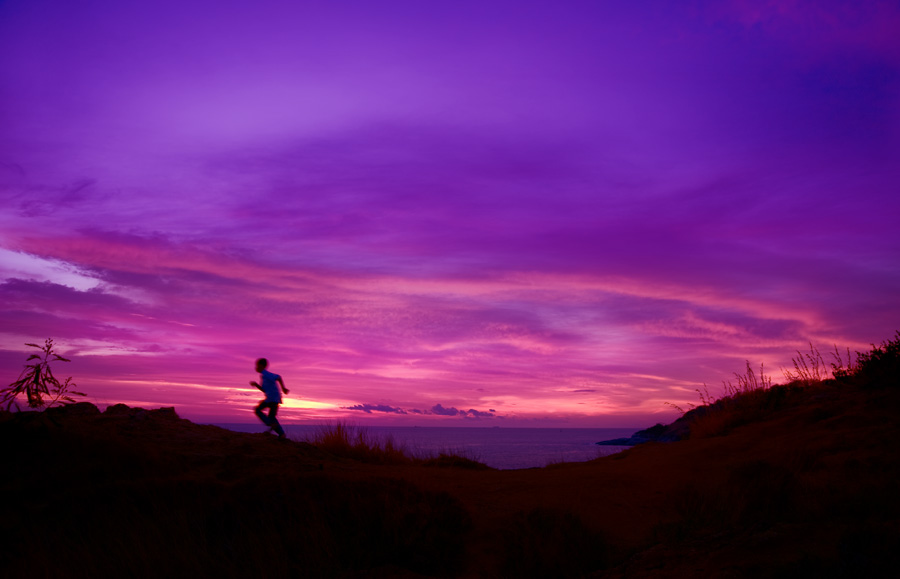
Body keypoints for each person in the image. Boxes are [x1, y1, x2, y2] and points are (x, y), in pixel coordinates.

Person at [250, 358, 290, 439]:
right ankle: (282, 434)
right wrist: (256, 384)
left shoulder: (266, 374)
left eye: (257, 366)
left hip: (272, 398)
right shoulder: (263, 376)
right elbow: (264, 390)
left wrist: (283, 388)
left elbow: (278, 377)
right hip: (274, 398)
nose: (256, 367)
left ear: (261, 366)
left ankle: (270, 423)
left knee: (258, 410)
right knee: (272, 417)